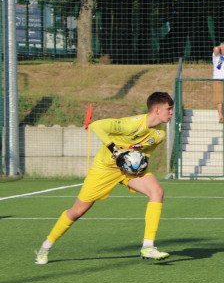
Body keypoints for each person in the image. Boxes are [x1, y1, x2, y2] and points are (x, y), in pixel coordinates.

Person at [35, 92, 176, 264]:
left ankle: (148, 246)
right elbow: (96, 125)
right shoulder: (130, 125)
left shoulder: (159, 134)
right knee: (77, 211)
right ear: (156, 110)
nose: (171, 113)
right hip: (104, 169)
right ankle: (45, 246)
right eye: (169, 109)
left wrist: (141, 164)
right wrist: (115, 151)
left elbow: (145, 154)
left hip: (127, 171)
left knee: (157, 192)